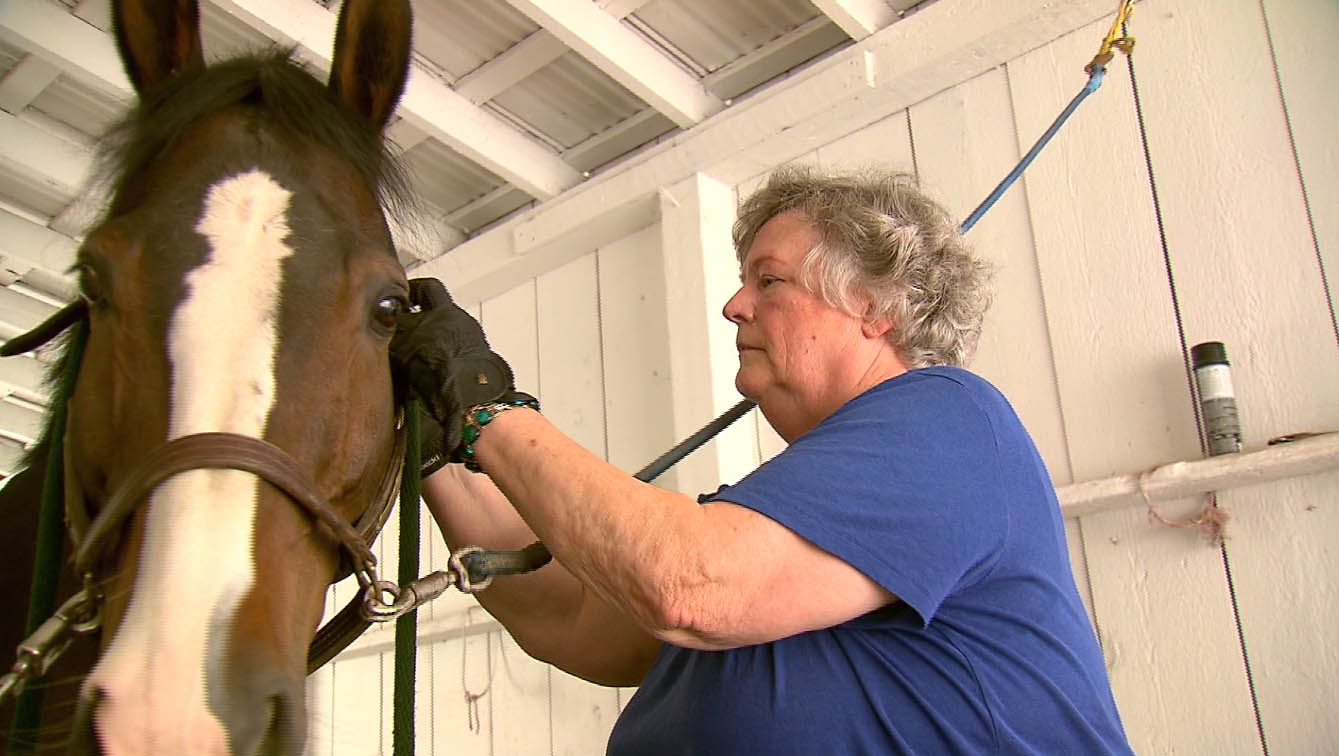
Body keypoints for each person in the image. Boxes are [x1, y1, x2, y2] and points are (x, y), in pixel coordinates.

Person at [390, 166, 1134, 755]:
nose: (735, 306)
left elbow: (690, 583)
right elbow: (570, 614)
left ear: (876, 305)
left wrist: (485, 407)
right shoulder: (766, 528)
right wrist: (435, 448)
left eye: (768, 280)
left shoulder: (951, 418)